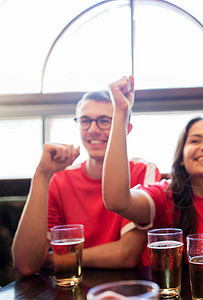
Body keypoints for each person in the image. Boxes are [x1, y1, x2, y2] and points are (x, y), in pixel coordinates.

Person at [103, 75, 203, 266]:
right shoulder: (165, 196)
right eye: (195, 141)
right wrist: (120, 113)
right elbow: (117, 200)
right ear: (181, 158)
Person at [12, 91, 160, 276]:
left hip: (131, 287)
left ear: (126, 128)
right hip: (71, 284)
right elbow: (25, 265)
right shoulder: (59, 179)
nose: (92, 130)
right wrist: (42, 175)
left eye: (105, 121)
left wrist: (56, 259)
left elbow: (127, 255)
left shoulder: (143, 171)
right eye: (85, 121)